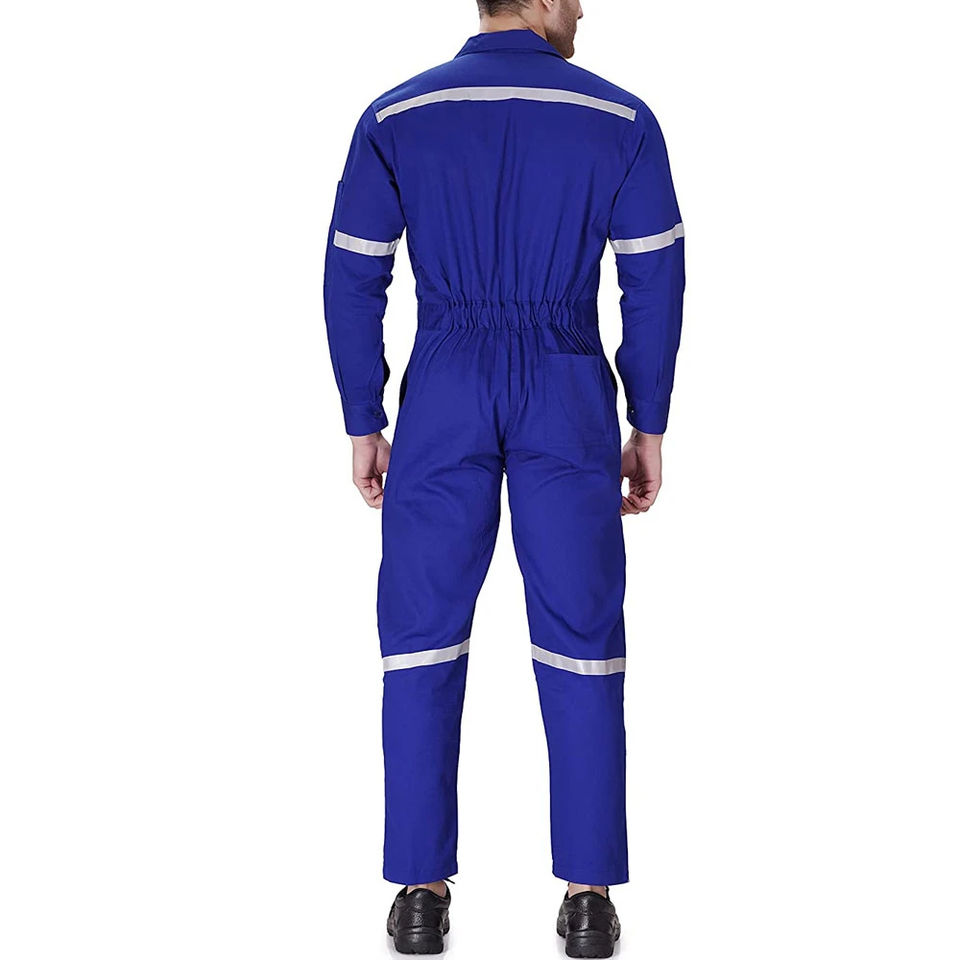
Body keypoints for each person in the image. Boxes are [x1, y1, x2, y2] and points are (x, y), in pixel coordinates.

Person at [323, 0, 684, 954]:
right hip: (564, 383)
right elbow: (655, 279)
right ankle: (588, 896)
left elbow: (353, 273)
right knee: (581, 630)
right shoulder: (619, 119)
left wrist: (365, 417)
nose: (583, 7)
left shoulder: (397, 116)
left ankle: (420, 892)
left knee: (421, 630)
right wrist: (648, 421)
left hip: (444, 383)